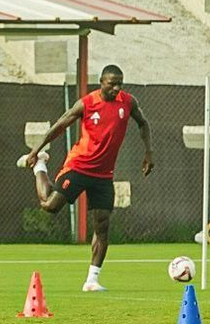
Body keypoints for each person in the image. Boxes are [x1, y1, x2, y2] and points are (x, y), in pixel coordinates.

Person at [19, 64, 153, 292]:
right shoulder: (87, 103)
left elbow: (143, 123)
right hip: (79, 166)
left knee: (102, 226)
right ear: (101, 82)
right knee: (49, 206)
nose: (117, 88)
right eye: (112, 84)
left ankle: (92, 280)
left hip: (103, 175)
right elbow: (61, 124)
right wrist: (35, 150)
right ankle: (40, 165)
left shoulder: (128, 102)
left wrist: (148, 152)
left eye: (120, 83)